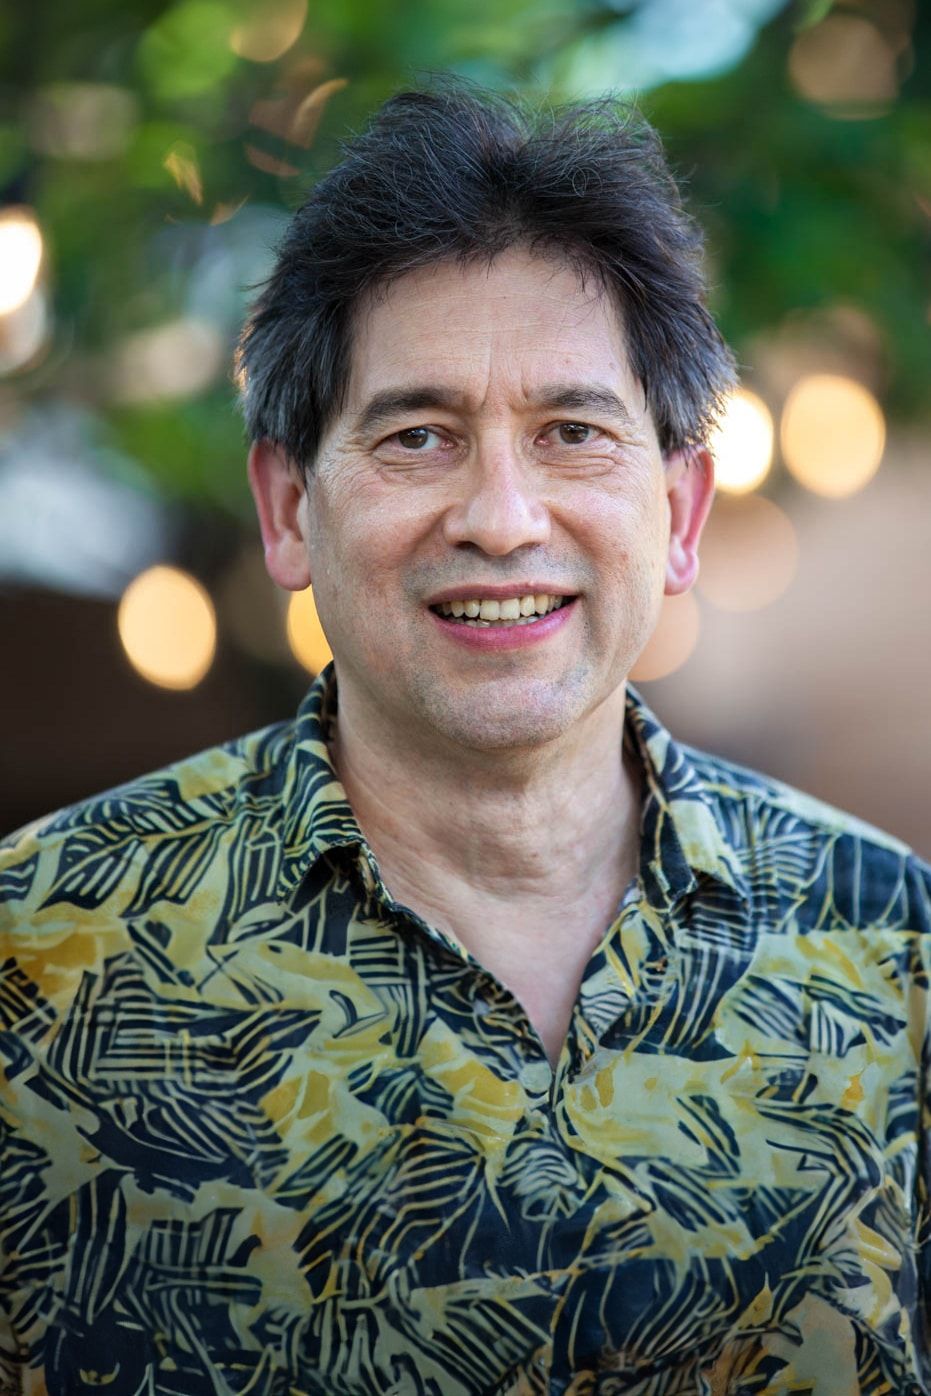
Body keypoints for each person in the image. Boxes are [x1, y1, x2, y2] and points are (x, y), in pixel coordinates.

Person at [1, 82, 929, 1396]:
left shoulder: (898, 956)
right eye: (419, 435)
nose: (501, 516)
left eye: (572, 433)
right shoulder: (38, 967)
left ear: (677, 512)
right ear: (285, 509)